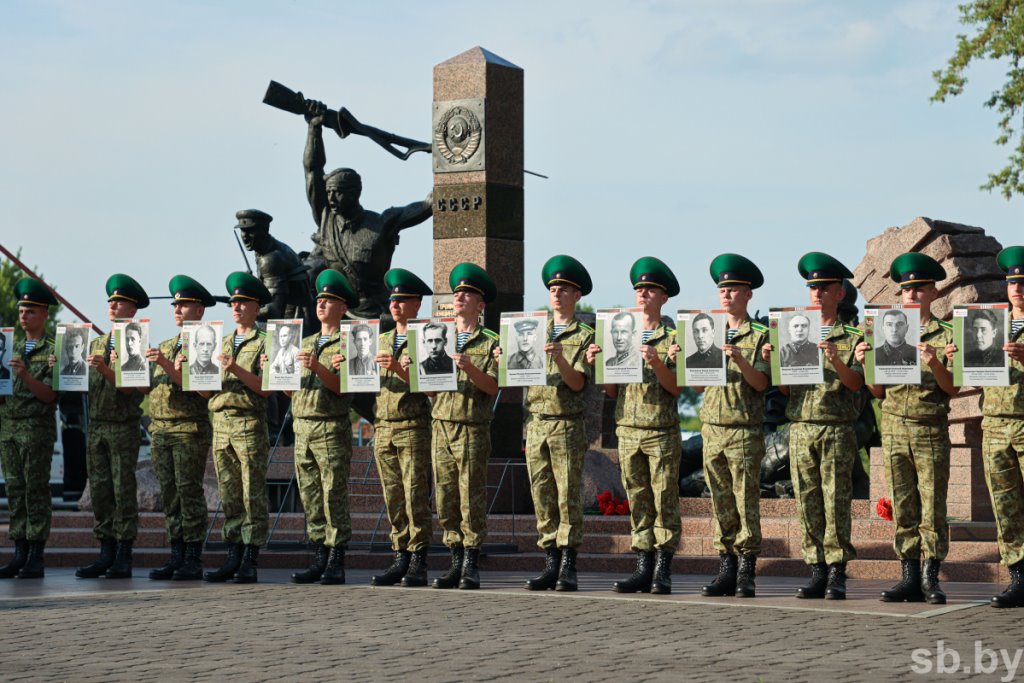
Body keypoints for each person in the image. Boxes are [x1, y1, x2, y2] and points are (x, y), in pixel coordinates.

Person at [761, 252, 863, 600]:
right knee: (808, 500)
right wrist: (777, 361)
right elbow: (786, 389)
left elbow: (856, 385)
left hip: (836, 426)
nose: (816, 294)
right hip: (801, 426)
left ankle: (837, 571)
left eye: (824, 288)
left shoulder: (852, 335)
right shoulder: (795, 332)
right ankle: (816, 569)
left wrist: (835, 359)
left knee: (836, 501)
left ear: (840, 293)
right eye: (812, 288)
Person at [856, 253, 957, 605]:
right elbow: (877, 391)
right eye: (905, 291)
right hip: (895, 427)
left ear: (933, 292)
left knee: (932, 505)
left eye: (918, 290)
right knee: (903, 504)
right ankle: (908, 576)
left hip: (929, 427)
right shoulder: (887, 331)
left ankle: (931, 577)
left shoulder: (947, 335)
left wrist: (934, 361)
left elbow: (953, 388)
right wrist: (866, 364)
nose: (910, 297)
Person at [672, 254, 770, 598]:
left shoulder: (760, 335)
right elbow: (697, 387)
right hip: (712, 427)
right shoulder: (707, 331)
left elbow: (761, 384)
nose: (726, 295)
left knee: (745, 501)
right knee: (720, 501)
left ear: (749, 294)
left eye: (733, 289)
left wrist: (741, 359)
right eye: (722, 289)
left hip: (743, 428)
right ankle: (726, 565)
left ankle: (746, 570)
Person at [498, 256, 594, 591]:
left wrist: (560, 358)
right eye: (553, 288)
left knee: (567, 494)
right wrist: (503, 360)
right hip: (535, 422)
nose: (557, 294)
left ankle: (568, 564)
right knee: (541, 493)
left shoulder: (583, 334)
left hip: (566, 422)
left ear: (577, 295)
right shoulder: (531, 330)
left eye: (564, 289)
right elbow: (514, 376)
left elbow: (579, 382)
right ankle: (550, 560)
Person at [587, 257, 683, 594]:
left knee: (664, 499)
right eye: (639, 289)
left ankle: (664, 569)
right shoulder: (620, 333)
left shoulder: (673, 337)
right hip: (627, 427)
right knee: (639, 499)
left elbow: (675, 388)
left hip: (660, 429)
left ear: (664, 297)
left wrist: (657, 361)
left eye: (650, 289)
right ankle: (643, 564)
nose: (643, 294)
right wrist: (601, 364)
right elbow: (611, 391)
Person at [301, 99, 432, 320]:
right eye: (329, 191)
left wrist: (451, 162)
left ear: (354, 193)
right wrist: (314, 128)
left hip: (376, 315)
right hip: (338, 317)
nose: (331, 197)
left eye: (338, 192)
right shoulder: (326, 218)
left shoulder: (382, 223)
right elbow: (312, 170)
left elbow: (428, 204)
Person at [427, 263, 499, 590]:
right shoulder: (436, 337)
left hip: (471, 425)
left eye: (467, 293)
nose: (460, 297)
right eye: (457, 293)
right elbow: (429, 389)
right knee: (444, 497)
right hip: (441, 424)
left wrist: (469, 367)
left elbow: (493, 388)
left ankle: (471, 561)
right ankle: (454, 558)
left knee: (471, 495)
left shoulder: (491, 342)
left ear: (480, 304)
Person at [286, 269, 357, 585]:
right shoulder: (307, 342)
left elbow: (344, 389)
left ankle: (336, 558)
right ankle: (319, 553)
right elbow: (293, 391)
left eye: (330, 300)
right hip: (302, 427)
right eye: (320, 299)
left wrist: (317, 366)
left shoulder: (353, 342)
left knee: (333, 493)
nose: (322, 304)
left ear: (343, 308)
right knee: (311, 494)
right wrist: (278, 376)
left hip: (330, 426)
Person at [76, 274, 150, 579]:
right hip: (97, 428)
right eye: (110, 301)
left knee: (122, 490)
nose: (112, 305)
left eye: (119, 301)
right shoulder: (94, 343)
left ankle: (123, 554)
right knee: (101, 492)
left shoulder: (135, 342)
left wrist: (106, 369)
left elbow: (130, 390)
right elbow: (81, 387)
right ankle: (105, 551)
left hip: (122, 427)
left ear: (132, 308)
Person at [365, 268, 435, 587]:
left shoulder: (428, 338)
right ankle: (400, 555)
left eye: (402, 299)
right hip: (383, 428)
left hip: (413, 426)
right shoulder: (378, 340)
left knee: (415, 494)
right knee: (393, 495)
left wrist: (399, 369)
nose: (395, 304)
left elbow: (434, 387)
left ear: (416, 304)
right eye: (392, 299)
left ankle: (418, 558)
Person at [144, 275, 217, 581]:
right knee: (170, 494)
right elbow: (147, 389)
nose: (177, 308)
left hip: (189, 429)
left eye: (184, 304)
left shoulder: (206, 341)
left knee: (188, 493)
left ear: (199, 310)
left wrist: (167, 365)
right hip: (160, 429)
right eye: (175, 304)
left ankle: (192, 556)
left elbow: (203, 390)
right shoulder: (164, 346)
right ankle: (176, 554)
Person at [203, 272, 272, 584]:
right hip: (221, 424)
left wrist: (234, 368)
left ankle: (250, 557)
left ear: (256, 308)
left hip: (248, 423)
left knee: (251, 493)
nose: (236, 307)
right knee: (229, 493)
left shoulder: (266, 343)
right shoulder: (219, 342)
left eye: (243, 302)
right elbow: (205, 391)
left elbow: (266, 389)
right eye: (233, 302)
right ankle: (232, 553)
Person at [970, 246, 1024, 607]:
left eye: (1023, 282)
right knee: (1005, 506)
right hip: (994, 425)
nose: (1017, 288)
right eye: (1012, 282)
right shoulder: (991, 323)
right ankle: (1019, 576)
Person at [0, 279, 58, 579]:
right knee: (15, 490)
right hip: (8, 430)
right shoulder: (9, 348)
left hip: (36, 431)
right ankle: (19, 552)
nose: (24, 315)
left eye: (31, 311)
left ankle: (36, 554)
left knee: (35, 491)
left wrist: (24, 376)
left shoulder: (53, 351)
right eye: (22, 310)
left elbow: (50, 395)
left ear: (45, 314)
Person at [235, 209, 314, 325]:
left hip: (295, 324)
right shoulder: (265, 248)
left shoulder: (270, 259)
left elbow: (273, 311)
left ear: (264, 231)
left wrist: (244, 309)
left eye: (250, 231)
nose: (245, 237)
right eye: (243, 231)